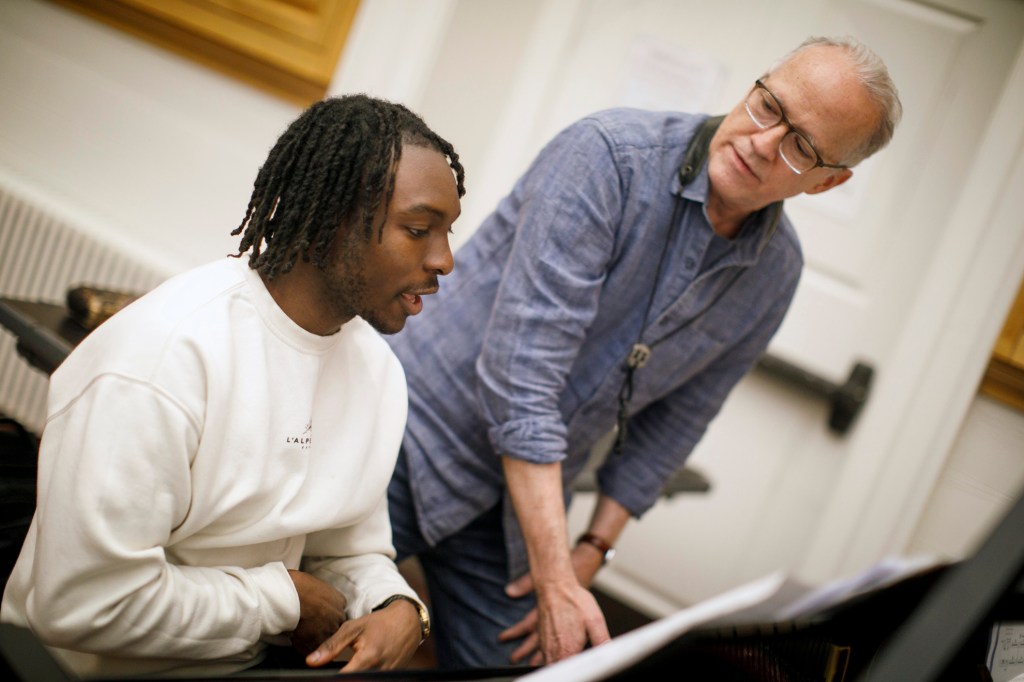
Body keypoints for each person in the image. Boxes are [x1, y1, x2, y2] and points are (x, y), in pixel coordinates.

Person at [386, 35, 902, 669]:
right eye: (769, 106)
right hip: (407, 435)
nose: (762, 142)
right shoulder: (608, 156)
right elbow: (521, 379)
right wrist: (555, 578)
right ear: (755, 84)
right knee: (309, 630)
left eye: (801, 147)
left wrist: (590, 551)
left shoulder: (776, 272)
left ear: (828, 183)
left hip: (515, 511)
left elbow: (679, 422)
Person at [0, 94, 464, 678]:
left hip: (248, 660)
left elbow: (343, 548)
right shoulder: (165, 356)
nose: (444, 260)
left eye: (446, 233)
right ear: (330, 218)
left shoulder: (378, 373)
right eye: (419, 230)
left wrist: (395, 605)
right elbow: (81, 605)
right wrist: (281, 602)